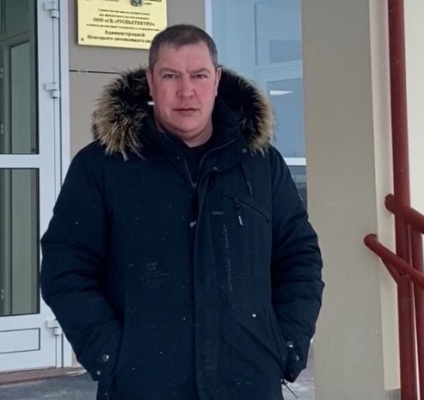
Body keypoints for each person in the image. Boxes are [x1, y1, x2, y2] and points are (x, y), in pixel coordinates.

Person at [40, 24, 324, 400]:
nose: (186, 91)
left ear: (216, 80)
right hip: (143, 386)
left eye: (199, 75)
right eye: (171, 75)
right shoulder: (103, 166)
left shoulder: (260, 164)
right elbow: (65, 268)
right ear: (150, 81)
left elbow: (299, 257)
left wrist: (285, 343)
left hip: (248, 382)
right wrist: (111, 355)